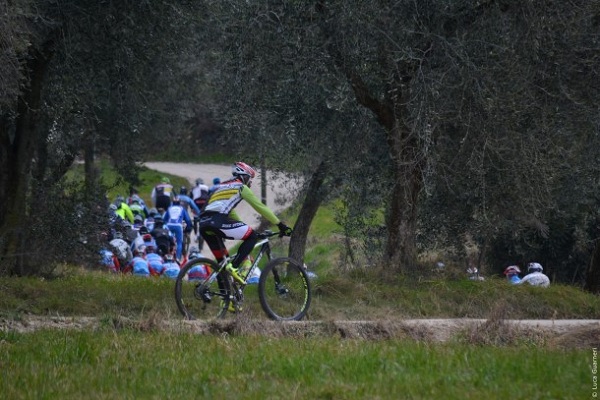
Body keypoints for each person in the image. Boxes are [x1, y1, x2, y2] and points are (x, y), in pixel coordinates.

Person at [199, 161, 293, 284]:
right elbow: (260, 207)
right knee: (252, 236)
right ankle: (234, 267)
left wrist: (245, 228)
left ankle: (225, 299)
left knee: (222, 264)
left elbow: (230, 213)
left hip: (203, 224)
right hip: (217, 221)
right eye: (250, 178)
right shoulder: (240, 187)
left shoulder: (220, 187)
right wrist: (280, 224)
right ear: (244, 176)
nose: (250, 182)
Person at [164, 196, 193, 261]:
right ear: (179, 203)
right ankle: (177, 258)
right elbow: (188, 220)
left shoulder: (169, 208)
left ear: (173, 203)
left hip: (169, 225)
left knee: (168, 241)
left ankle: (168, 255)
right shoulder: (182, 209)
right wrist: (189, 227)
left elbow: (164, 219)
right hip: (178, 225)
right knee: (179, 242)